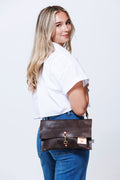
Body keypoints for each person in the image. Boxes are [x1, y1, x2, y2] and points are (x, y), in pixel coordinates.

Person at [27, 5, 90, 180]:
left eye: (67, 22)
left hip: (44, 131)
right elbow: (79, 108)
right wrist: (85, 85)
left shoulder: (41, 59)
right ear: (46, 29)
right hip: (68, 128)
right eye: (58, 25)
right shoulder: (65, 58)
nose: (66, 28)